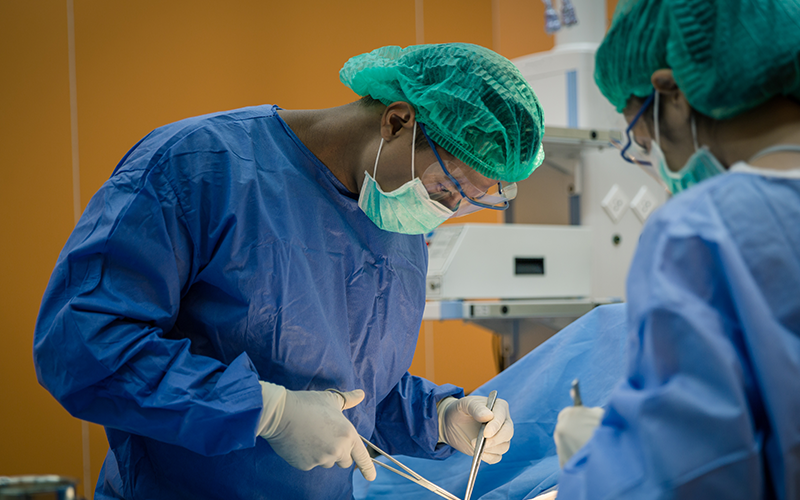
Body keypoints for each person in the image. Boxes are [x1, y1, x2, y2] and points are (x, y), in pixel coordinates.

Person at [33, 43, 544, 499]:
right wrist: (266, 411)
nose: (443, 210)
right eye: (444, 186)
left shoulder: (397, 222)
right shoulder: (198, 167)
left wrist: (440, 417)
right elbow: (82, 342)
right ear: (396, 122)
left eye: (466, 203)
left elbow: (354, 392)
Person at [553, 0, 800, 498]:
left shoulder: (704, 230)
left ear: (671, 92)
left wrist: (603, 462)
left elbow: (688, 476)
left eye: (639, 135)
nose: (649, 156)